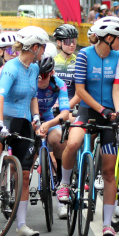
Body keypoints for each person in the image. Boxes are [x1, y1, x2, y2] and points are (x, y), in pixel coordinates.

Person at [0, 26, 49, 236]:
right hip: (5, 118)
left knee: (25, 176)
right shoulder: (11, 68)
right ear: (34, 47)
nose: (43, 52)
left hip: (24, 121)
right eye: (42, 48)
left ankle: (22, 225)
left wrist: (36, 117)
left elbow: (33, 96)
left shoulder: (34, 68)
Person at [59, 16, 119, 236]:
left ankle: (107, 223)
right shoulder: (84, 55)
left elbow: (117, 88)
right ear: (108, 38)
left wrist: (118, 112)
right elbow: (79, 90)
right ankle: (65, 183)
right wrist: (101, 109)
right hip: (89, 111)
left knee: (109, 171)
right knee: (74, 142)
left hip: (108, 115)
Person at [34, 55, 71, 220]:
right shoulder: (30, 82)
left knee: (59, 139)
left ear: (52, 73)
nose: (40, 79)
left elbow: (64, 113)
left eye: (44, 76)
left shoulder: (59, 84)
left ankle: (62, 182)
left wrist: (48, 125)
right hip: (30, 118)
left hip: (49, 118)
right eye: (37, 75)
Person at [53, 24, 80, 105]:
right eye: (68, 41)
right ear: (59, 42)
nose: (72, 45)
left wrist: (67, 108)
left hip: (72, 105)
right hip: (54, 104)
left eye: (74, 41)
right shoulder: (53, 61)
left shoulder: (79, 61)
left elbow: (81, 91)